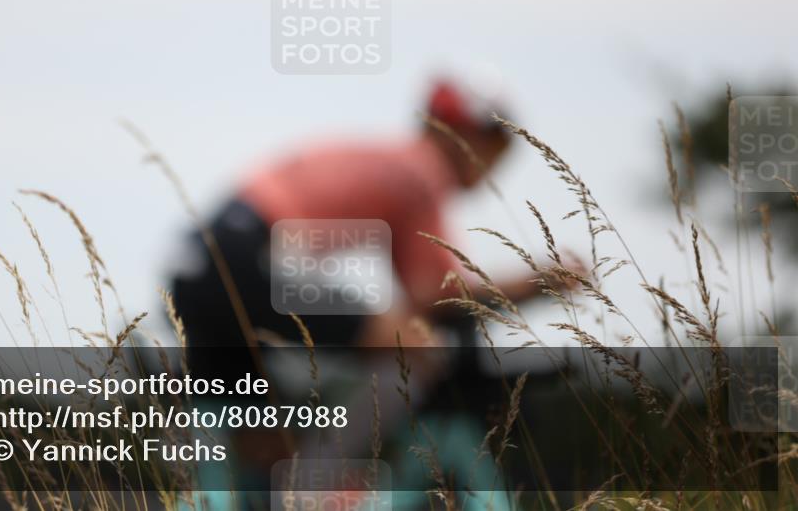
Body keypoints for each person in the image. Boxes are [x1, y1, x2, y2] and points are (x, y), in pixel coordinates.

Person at [169, 77, 581, 375]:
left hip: (206, 261)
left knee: (260, 444)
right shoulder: (422, 172)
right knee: (408, 345)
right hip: (248, 262)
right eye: (490, 147)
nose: (493, 165)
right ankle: (331, 486)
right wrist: (537, 282)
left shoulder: (394, 161)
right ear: (457, 135)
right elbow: (437, 296)